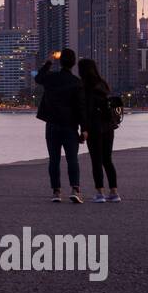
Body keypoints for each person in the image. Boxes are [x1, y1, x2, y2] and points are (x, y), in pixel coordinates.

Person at [34, 48, 84, 203]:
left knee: (54, 159)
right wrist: (85, 129)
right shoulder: (77, 82)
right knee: (72, 159)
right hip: (70, 126)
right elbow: (80, 107)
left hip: (52, 125)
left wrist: (49, 61)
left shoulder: (51, 78)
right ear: (73, 63)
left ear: (60, 62)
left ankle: (56, 192)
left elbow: (38, 78)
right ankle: (75, 189)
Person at [79, 58, 120, 202]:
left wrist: (84, 129)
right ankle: (114, 192)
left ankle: (100, 193)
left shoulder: (85, 87)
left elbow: (84, 110)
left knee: (96, 160)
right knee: (107, 159)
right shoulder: (103, 84)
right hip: (109, 126)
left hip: (94, 127)